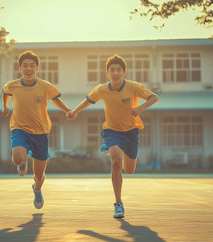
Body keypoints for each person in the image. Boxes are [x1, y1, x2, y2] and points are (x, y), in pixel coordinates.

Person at [67, 54, 159, 218]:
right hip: (112, 131)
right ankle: (118, 203)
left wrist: (140, 109)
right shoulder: (101, 89)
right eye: (112, 70)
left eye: (118, 70)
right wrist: (75, 111)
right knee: (116, 160)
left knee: (129, 170)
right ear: (107, 73)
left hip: (131, 132)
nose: (115, 73)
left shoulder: (133, 87)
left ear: (124, 72)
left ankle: (115, 149)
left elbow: (154, 97)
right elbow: (88, 100)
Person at [2, 50, 71, 209]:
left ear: (37, 68)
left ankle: (37, 189)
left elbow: (56, 99)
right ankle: (22, 161)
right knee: (17, 158)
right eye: (25, 66)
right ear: (20, 68)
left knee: (39, 175)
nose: (28, 69)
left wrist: (67, 110)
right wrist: (5, 106)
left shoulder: (45, 86)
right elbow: (5, 92)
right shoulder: (13, 85)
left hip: (41, 132)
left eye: (32, 66)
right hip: (19, 128)